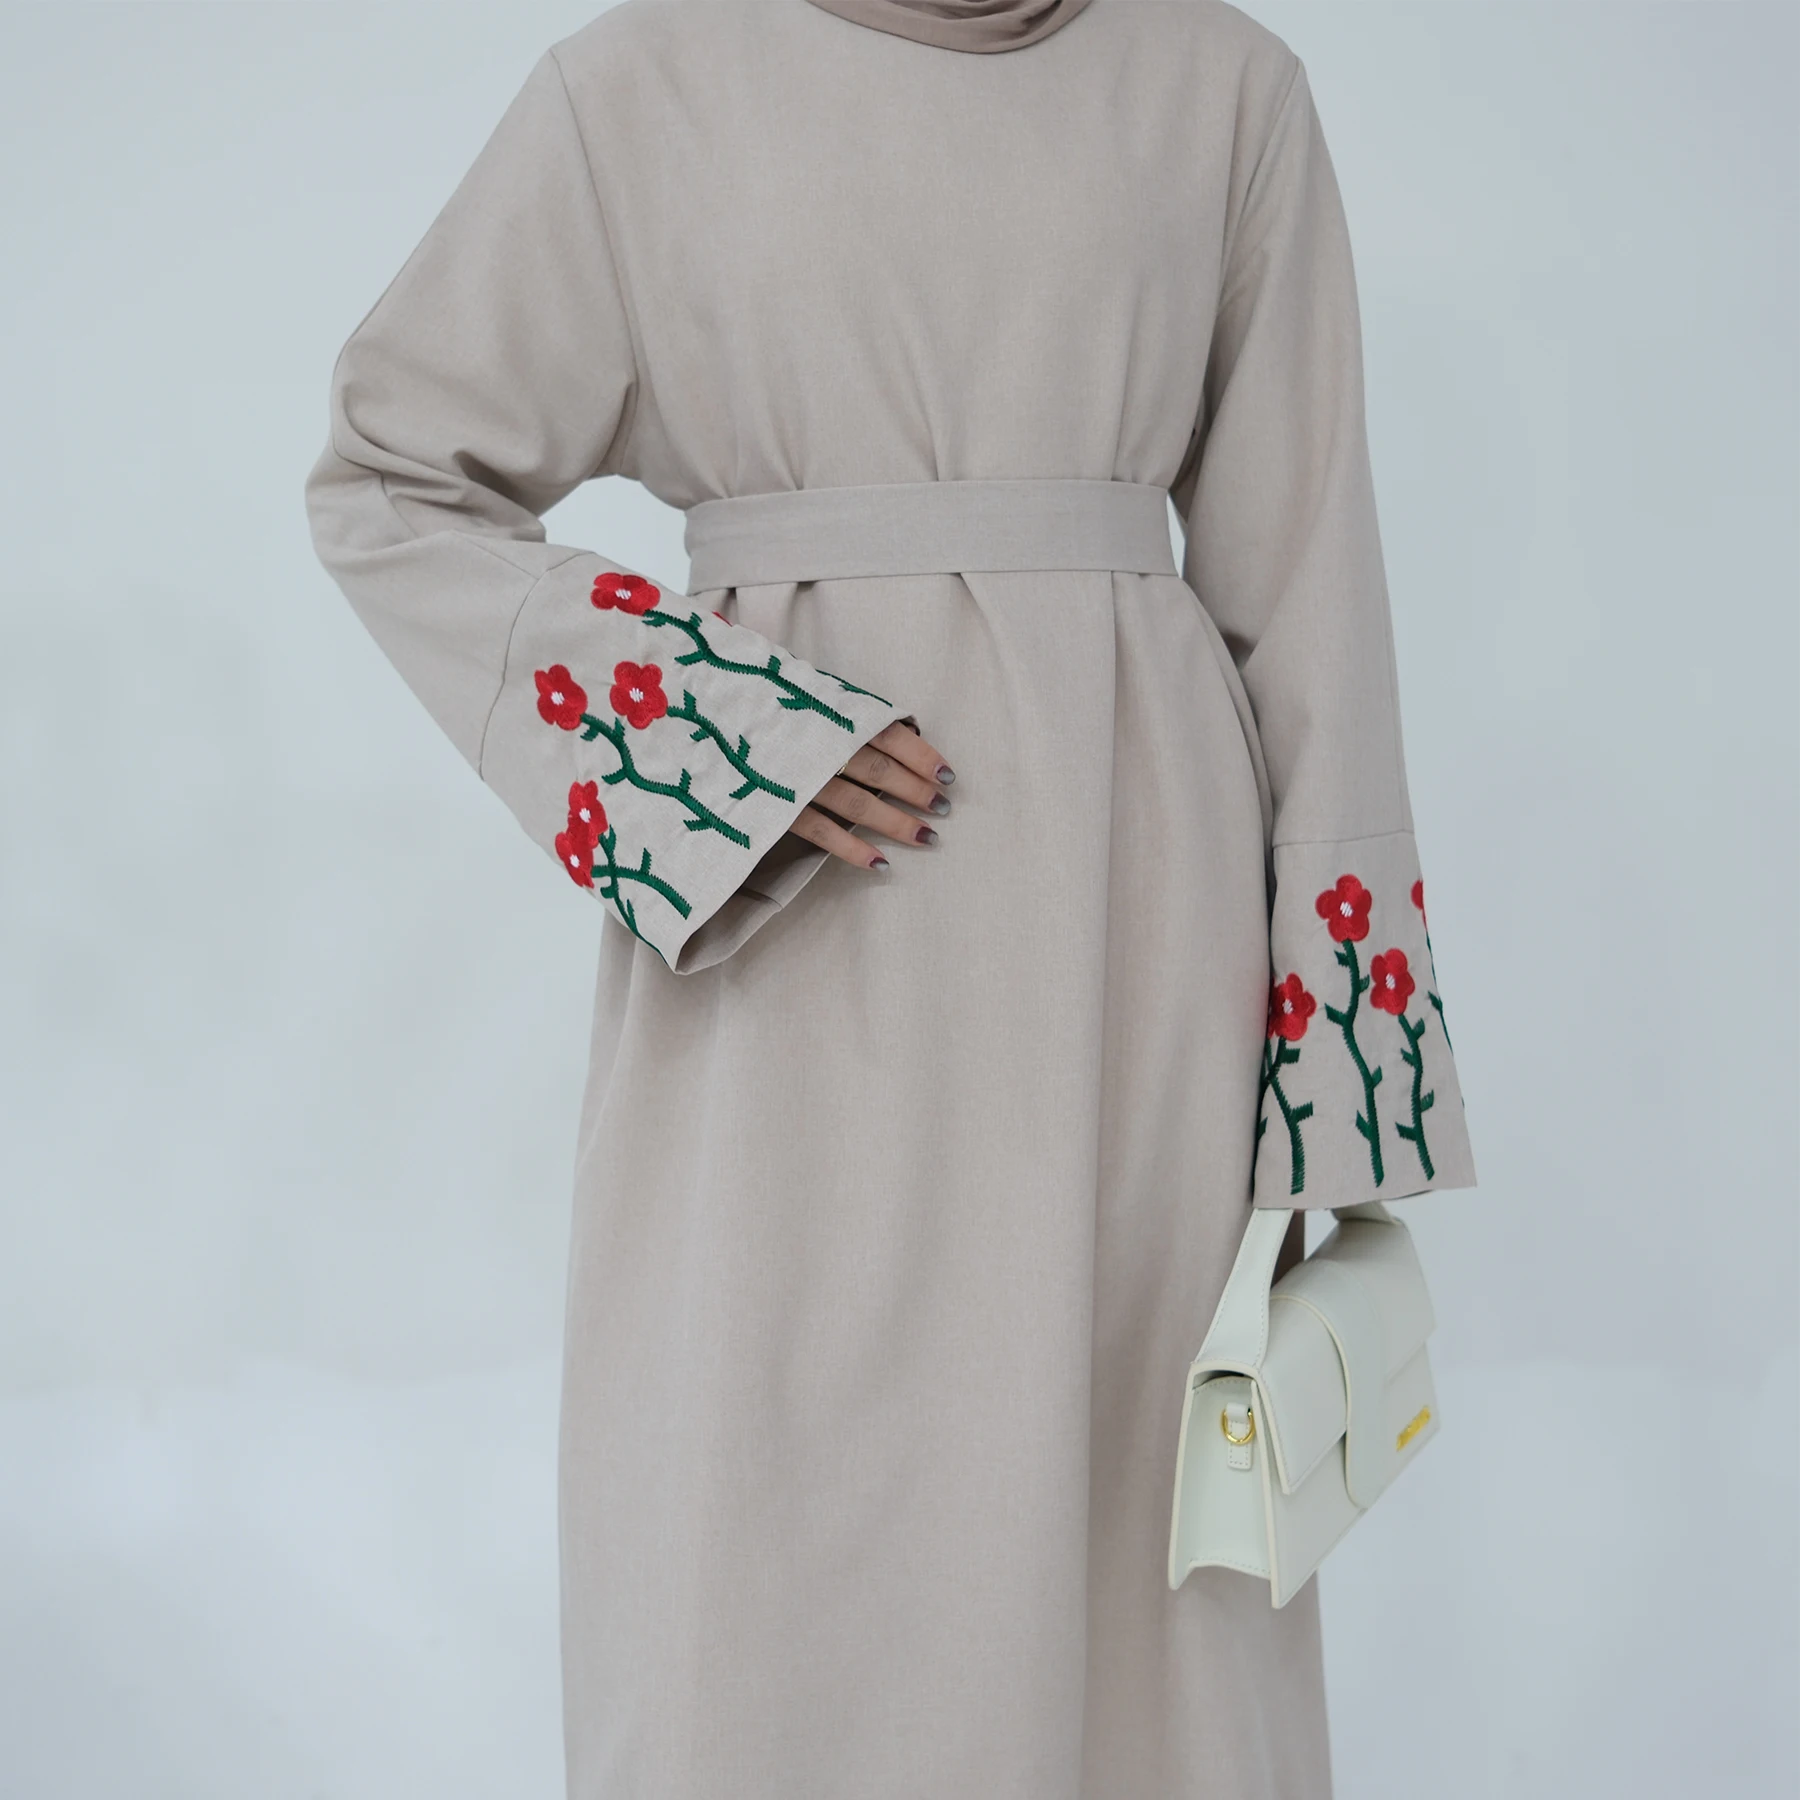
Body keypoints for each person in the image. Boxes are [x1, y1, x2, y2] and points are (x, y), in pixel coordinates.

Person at [304, 1, 1477, 1794]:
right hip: (789, 921)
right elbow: (389, 471)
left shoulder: (1227, 91)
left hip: (1140, 933)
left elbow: (1310, 586)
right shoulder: (644, 87)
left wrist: (1333, 1089)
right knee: (764, 1489)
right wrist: (722, 741)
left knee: (1133, 1535)